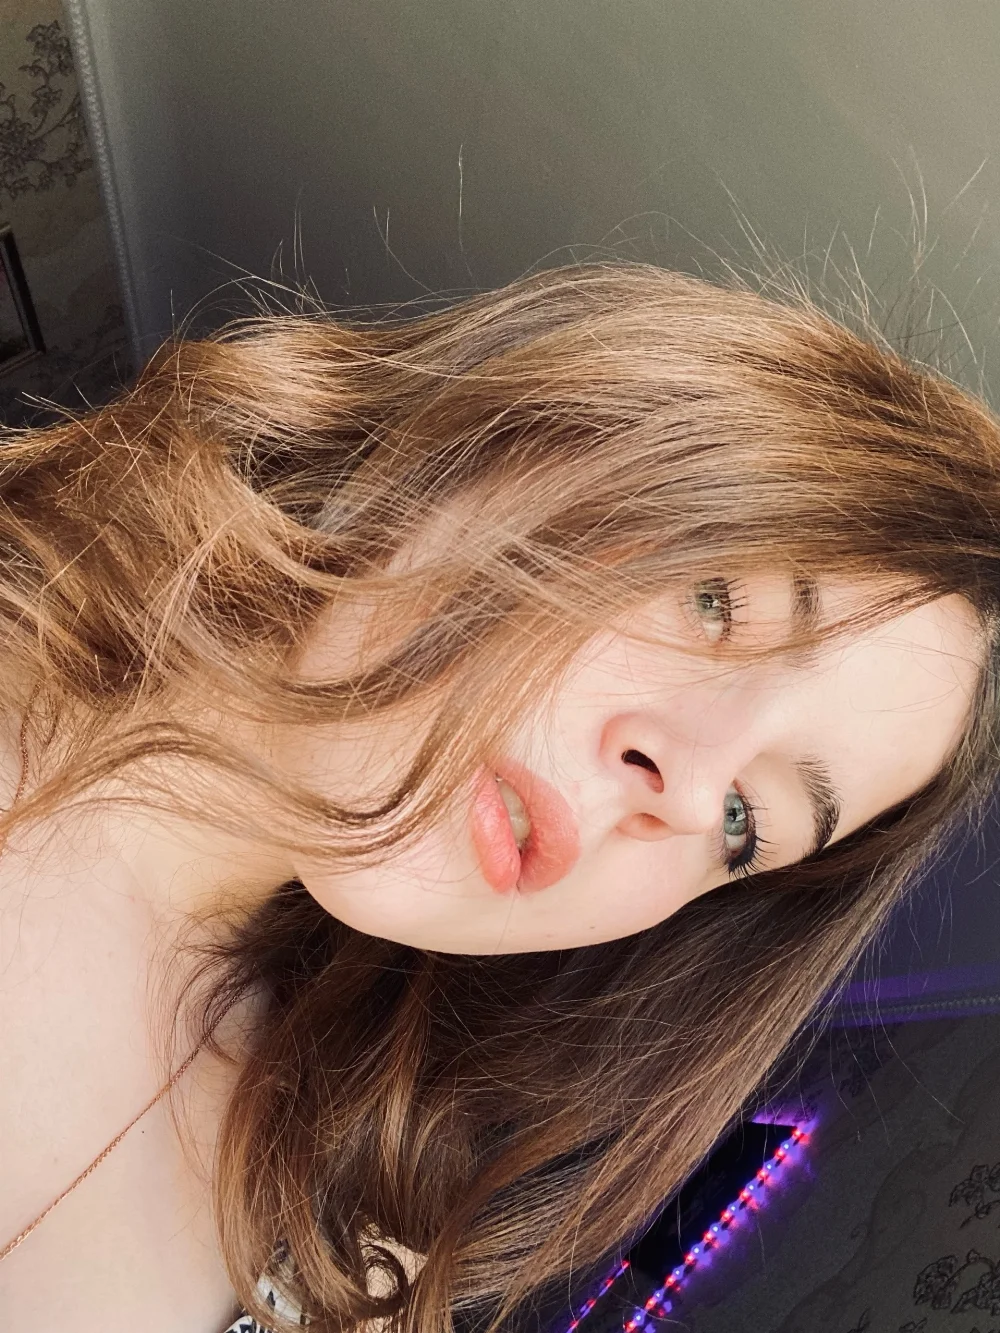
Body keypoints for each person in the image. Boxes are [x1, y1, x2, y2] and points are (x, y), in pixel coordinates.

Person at [0, 261, 995, 1333]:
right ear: (538, 432)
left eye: (746, 825)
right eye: (716, 601)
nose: (693, 787)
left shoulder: (340, 1266)